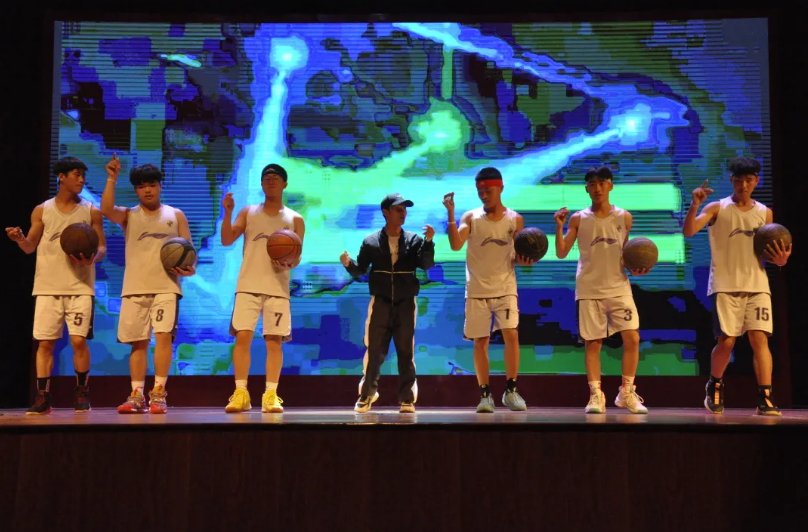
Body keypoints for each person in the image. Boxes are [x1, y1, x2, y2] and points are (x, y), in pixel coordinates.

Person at [683, 156, 791, 415]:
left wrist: (781, 260)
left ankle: (766, 397)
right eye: (739, 180)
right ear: (731, 180)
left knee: (759, 339)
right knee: (727, 341)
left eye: (749, 180)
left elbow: (770, 251)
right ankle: (714, 385)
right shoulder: (717, 208)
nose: (744, 185)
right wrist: (695, 205)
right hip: (725, 284)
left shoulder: (765, 213)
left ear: (757, 181)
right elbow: (689, 231)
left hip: (757, 284)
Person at [6, 156, 106, 414]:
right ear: (61, 177)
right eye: (76, 174)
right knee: (45, 344)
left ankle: (81, 392)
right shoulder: (42, 210)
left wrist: (91, 258)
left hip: (80, 286)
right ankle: (43, 397)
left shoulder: (91, 210)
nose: (81, 179)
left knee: (78, 342)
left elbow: (102, 247)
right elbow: (30, 247)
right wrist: (19, 239)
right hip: (47, 287)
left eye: (83, 175)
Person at [101, 154, 196, 414]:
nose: (147, 190)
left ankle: (159, 394)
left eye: (151, 185)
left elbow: (189, 251)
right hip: (134, 288)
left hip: (167, 288)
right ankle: (136, 395)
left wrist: (189, 269)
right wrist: (111, 178)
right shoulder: (128, 215)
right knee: (138, 343)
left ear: (160, 186)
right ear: (136, 190)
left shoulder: (175, 215)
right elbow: (106, 210)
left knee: (163, 338)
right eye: (141, 186)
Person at [554, 165, 649, 414]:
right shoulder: (578, 218)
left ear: (610, 186)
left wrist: (636, 268)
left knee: (632, 338)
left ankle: (626, 392)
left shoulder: (624, 217)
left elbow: (626, 253)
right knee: (593, 344)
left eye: (602, 183)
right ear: (587, 189)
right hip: (589, 289)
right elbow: (562, 252)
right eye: (592, 184)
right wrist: (559, 226)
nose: (597, 188)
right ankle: (596, 395)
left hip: (619, 287)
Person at [443, 167, 535, 413]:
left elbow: (519, 254)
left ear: (500, 188)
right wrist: (451, 214)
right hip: (477, 289)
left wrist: (525, 260)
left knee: (511, 335)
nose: (484, 195)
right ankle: (485, 395)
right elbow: (455, 245)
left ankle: (511, 391)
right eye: (480, 191)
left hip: (505, 288)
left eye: (488, 190)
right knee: (480, 341)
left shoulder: (515, 219)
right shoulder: (471, 217)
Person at [221, 163, 305, 413]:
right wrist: (228, 213)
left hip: (277, 288)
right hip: (248, 285)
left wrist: (287, 261)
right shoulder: (248, 212)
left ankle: (271, 394)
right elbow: (226, 239)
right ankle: (240, 393)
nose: (271, 180)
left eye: (276, 177)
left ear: (284, 184)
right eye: (266, 177)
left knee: (274, 342)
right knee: (242, 338)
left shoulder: (295, 219)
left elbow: (296, 258)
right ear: (261, 183)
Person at [341, 193, 436, 413]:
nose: (403, 213)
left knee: (405, 351)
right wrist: (348, 264)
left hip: (406, 303)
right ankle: (367, 394)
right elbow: (360, 270)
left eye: (405, 210)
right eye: (398, 210)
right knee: (374, 350)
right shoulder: (371, 241)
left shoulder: (414, 240)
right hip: (381, 302)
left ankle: (407, 398)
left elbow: (426, 265)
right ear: (386, 212)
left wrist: (429, 242)